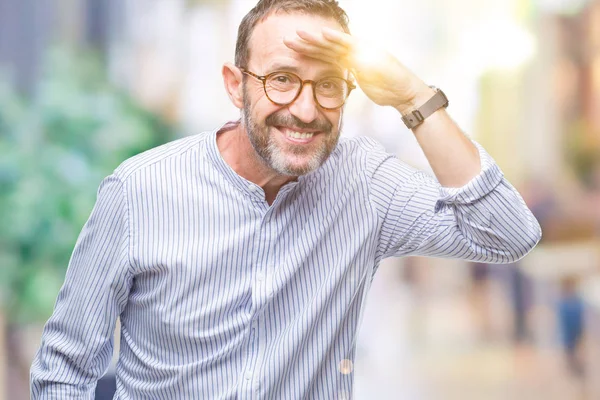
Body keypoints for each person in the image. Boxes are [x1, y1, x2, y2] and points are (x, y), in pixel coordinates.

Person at [30, 0, 542, 398]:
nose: (305, 109)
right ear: (236, 85)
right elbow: (65, 371)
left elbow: (508, 235)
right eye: (281, 80)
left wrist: (412, 96)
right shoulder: (140, 190)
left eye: (328, 86)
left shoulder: (364, 183)